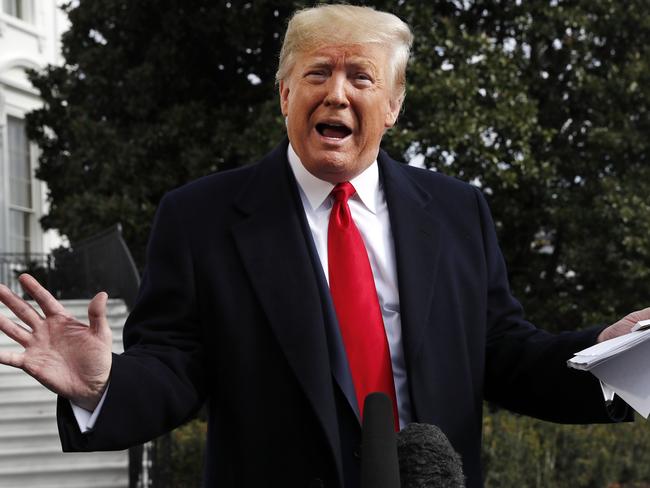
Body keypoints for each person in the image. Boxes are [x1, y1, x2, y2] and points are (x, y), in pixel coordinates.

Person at [0, 5, 647, 488]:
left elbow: (506, 355)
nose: (336, 92)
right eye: (317, 73)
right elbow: (175, 366)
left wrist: (610, 358)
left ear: (392, 105)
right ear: (285, 94)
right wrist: (102, 386)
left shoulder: (457, 212)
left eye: (360, 77)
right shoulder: (201, 217)